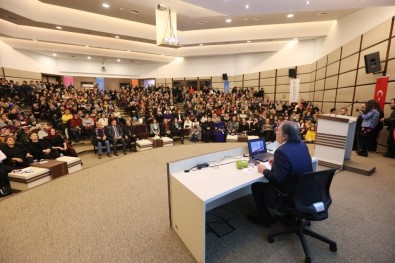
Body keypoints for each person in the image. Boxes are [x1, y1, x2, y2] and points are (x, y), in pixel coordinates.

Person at [247, 121, 313, 228]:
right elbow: (295, 161)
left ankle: (264, 219)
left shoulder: (281, 151)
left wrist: (263, 170)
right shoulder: (302, 145)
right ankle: (290, 216)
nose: (276, 132)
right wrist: (278, 162)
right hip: (303, 191)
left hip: (287, 195)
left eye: (278, 130)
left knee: (256, 186)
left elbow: (277, 179)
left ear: (284, 136)